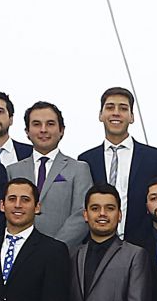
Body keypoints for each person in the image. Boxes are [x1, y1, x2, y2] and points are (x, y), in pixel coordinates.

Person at [81, 86, 157, 244]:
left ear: (132, 117)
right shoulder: (86, 160)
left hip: (142, 245)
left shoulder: (153, 158)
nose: (116, 113)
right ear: (101, 115)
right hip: (95, 244)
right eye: (110, 107)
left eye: (123, 108)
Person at [73, 184, 151, 301]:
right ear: (85, 215)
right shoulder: (74, 254)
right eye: (95, 208)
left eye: (109, 208)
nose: (102, 214)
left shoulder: (135, 255)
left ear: (120, 214)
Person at [7, 102, 93, 247]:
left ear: (61, 130)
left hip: (64, 252)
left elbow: (81, 214)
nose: (43, 130)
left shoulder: (79, 169)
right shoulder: (13, 171)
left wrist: (54, 248)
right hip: (20, 251)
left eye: (50, 124)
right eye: (36, 124)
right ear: (27, 131)